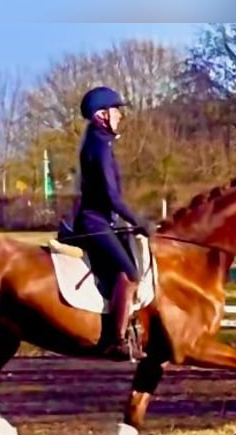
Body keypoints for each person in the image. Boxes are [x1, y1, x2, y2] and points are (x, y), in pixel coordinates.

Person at [72, 85, 152, 360]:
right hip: (95, 222)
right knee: (130, 273)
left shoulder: (97, 141)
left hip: (101, 220)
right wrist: (138, 221)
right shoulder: (101, 147)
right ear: (102, 115)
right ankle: (116, 340)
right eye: (116, 111)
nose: (120, 116)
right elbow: (112, 197)